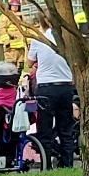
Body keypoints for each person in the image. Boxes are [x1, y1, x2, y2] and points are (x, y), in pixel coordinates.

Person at [27, 31, 78, 168]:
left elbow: (29, 62)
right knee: (66, 129)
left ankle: (46, 164)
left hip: (46, 88)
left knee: (45, 129)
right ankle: (67, 164)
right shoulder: (69, 37)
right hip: (66, 86)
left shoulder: (38, 39)